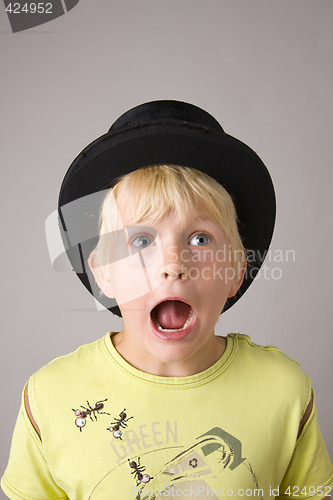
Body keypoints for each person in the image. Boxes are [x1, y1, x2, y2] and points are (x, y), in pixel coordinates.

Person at [1, 101, 332, 499]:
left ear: (235, 272)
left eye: (200, 238)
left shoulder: (285, 391)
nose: (173, 265)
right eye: (141, 241)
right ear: (102, 273)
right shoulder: (50, 398)